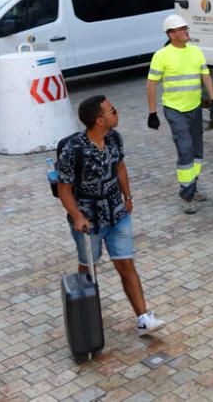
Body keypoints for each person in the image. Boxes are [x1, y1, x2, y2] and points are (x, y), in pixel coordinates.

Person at [57, 95, 164, 336]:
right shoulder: (73, 150)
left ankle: (143, 318)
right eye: (112, 111)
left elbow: (120, 167)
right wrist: (76, 216)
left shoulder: (114, 138)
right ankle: (84, 316)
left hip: (117, 212)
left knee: (126, 263)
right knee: (88, 268)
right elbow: (64, 188)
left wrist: (128, 197)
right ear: (99, 120)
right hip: (88, 219)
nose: (117, 113)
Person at [146, 14, 213, 214]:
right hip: (174, 110)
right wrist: (152, 112)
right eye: (182, 29)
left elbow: (206, 77)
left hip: (194, 108)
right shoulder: (161, 55)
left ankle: (192, 186)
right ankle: (186, 195)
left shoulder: (196, 52)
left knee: (197, 151)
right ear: (171, 34)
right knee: (185, 149)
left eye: (186, 28)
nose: (186, 31)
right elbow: (151, 84)